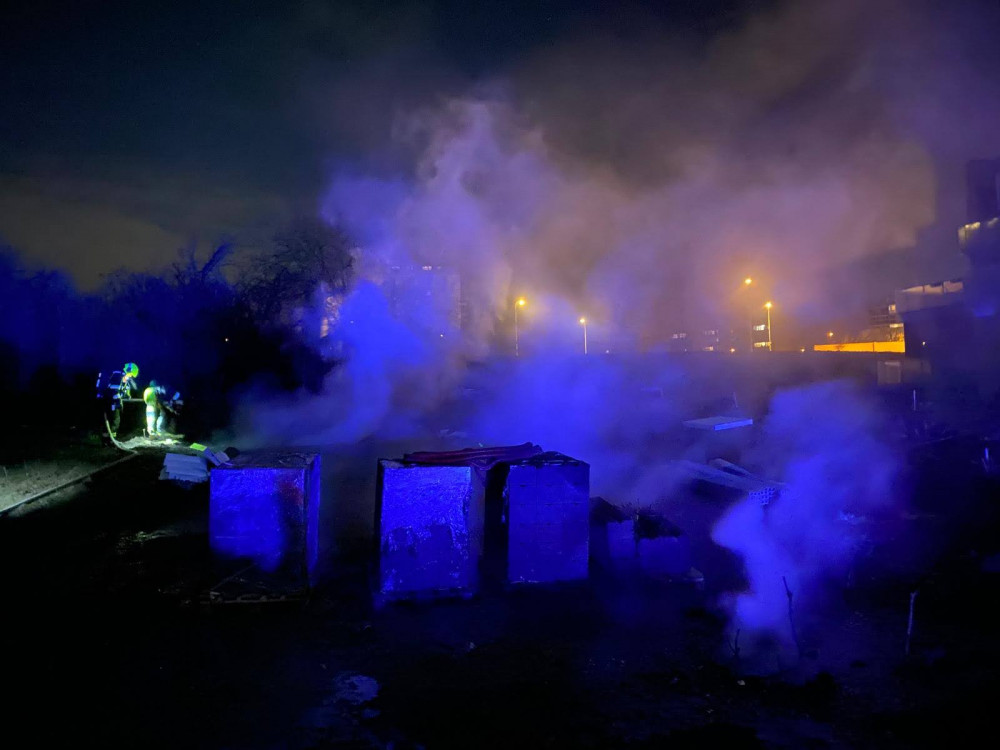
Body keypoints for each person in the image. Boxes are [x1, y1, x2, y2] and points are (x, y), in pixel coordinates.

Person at [97, 362, 139, 437]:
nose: (131, 377)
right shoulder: (117, 376)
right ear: (128, 371)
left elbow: (124, 391)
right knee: (115, 422)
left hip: (113, 403)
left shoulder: (123, 379)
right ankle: (110, 440)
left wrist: (127, 396)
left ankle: (107, 440)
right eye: (131, 375)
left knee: (112, 422)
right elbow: (113, 392)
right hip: (111, 403)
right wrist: (119, 402)